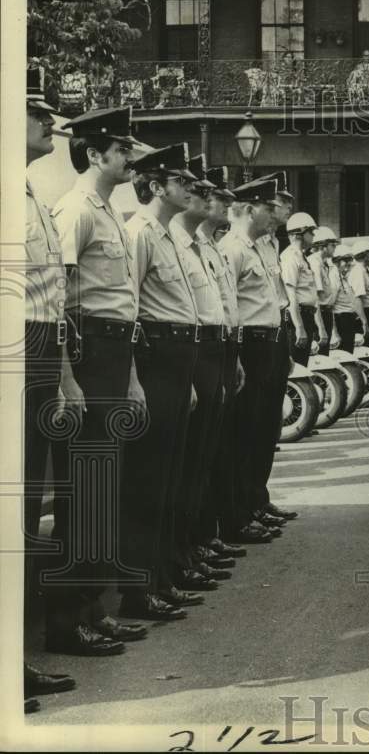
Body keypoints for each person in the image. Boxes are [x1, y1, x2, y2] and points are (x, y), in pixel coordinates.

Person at [50, 106, 144, 656]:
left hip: (112, 355)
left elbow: (125, 306)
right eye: (123, 147)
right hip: (86, 356)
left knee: (101, 488)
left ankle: (93, 610)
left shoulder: (107, 210)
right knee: (81, 490)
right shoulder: (77, 212)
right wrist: (67, 378)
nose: (131, 156)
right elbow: (59, 299)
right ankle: (66, 623)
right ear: (94, 154)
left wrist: (129, 375)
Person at [121, 143, 203, 618]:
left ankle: (160, 577)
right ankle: (139, 588)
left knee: (169, 478)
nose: (188, 188)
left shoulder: (166, 233)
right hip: (155, 356)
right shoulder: (141, 234)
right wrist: (135, 377)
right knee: (148, 480)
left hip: (178, 359)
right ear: (156, 186)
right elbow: (130, 310)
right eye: (180, 181)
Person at [23, 66, 79, 707]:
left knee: (27, 507)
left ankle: (20, 658)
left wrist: (58, 370)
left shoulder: (32, 191)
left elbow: (52, 294)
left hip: (40, 347)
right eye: (35, 111)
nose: (48, 121)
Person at [166, 154, 233, 595]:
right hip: (176, 350)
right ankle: (174, 558)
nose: (205, 197)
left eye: (206, 191)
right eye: (198, 189)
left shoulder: (196, 245)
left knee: (197, 461)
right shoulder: (162, 237)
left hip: (209, 347)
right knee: (175, 468)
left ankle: (189, 548)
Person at [219, 179, 285, 543]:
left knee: (260, 430)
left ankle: (252, 504)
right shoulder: (233, 248)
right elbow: (228, 303)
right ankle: (239, 514)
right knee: (243, 434)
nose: (272, 212)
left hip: (266, 342)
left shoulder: (255, 247)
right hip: (248, 344)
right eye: (266, 205)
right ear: (247, 209)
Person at [195, 166, 248, 560]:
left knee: (212, 452)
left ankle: (204, 537)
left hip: (224, 345)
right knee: (194, 458)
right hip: (194, 349)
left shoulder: (211, 245)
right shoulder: (191, 242)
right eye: (216, 196)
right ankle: (192, 544)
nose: (225, 202)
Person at [251, 175, 298, 523]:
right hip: (256, 334)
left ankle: (259, 497)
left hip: (277, 326)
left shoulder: (270, 243)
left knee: (269, 424)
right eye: (277, 202)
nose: (283, 208)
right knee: (253, 423)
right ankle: (248, 502)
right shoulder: (247, 243)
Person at [281, 211, 321, 366]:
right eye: (310, 232)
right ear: (300, 233)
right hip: (298, 317)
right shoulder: (290, 257)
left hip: (307, 315)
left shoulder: (301, 256)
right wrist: (299, 327)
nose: (313, 236)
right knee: (296, 367)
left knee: (303, 364)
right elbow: (291, 295)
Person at [308, 226, 340, 354]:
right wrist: (321, 328)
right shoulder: (315, 263)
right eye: (333, 245)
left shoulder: (324, 264)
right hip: (318, 315)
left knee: (324, 354)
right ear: (323, 246)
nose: (335, 248)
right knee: (319, 357)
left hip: (325, 313)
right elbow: (316, 298)